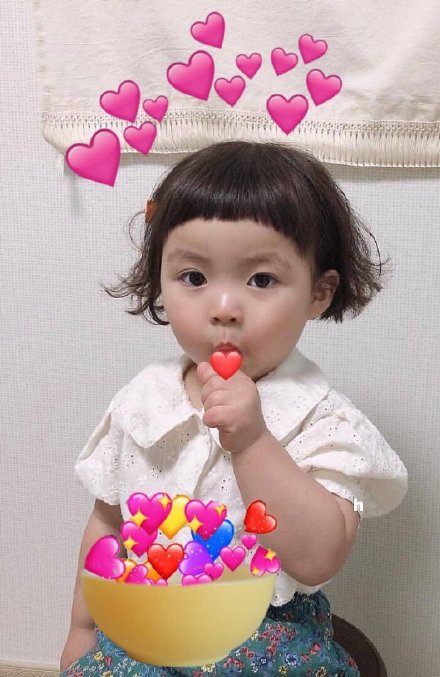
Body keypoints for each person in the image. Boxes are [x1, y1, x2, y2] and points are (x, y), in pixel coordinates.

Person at [60, 140, 409, 676]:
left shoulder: (324, 421)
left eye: (261, 280)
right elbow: (108, 521)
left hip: (263, 637)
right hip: (146, 624)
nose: (223, 308)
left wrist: (253, 442)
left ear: (319, 292)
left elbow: (318, 557)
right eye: (194, 278)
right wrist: (83, 628)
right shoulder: (144, 400)